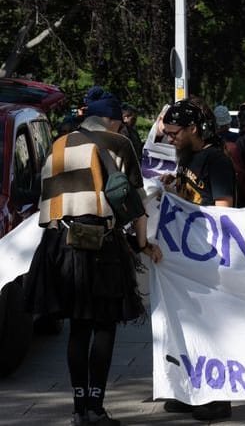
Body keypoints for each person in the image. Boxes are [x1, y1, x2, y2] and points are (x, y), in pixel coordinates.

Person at [24, 92, 163, 426]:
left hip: (61, 244)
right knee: (104, 325)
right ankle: (96, 408)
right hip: (102, 245)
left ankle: (78, 408)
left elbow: (47, 204)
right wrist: (143, 243)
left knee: (78, 327)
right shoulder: (118, 144)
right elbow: (136, 204)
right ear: (112, 119)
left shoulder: (58, 145)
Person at [157, 100, 236, 421]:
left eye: (175, 133)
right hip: (189, 256)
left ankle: (218, 399)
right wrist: (172, 189)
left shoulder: (215, 159)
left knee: (210, 329)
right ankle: (192, 392)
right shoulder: (188, 158)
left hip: (210, 257)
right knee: (189, 328)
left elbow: (223, 206)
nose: (171, 139)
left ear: (193, 130)